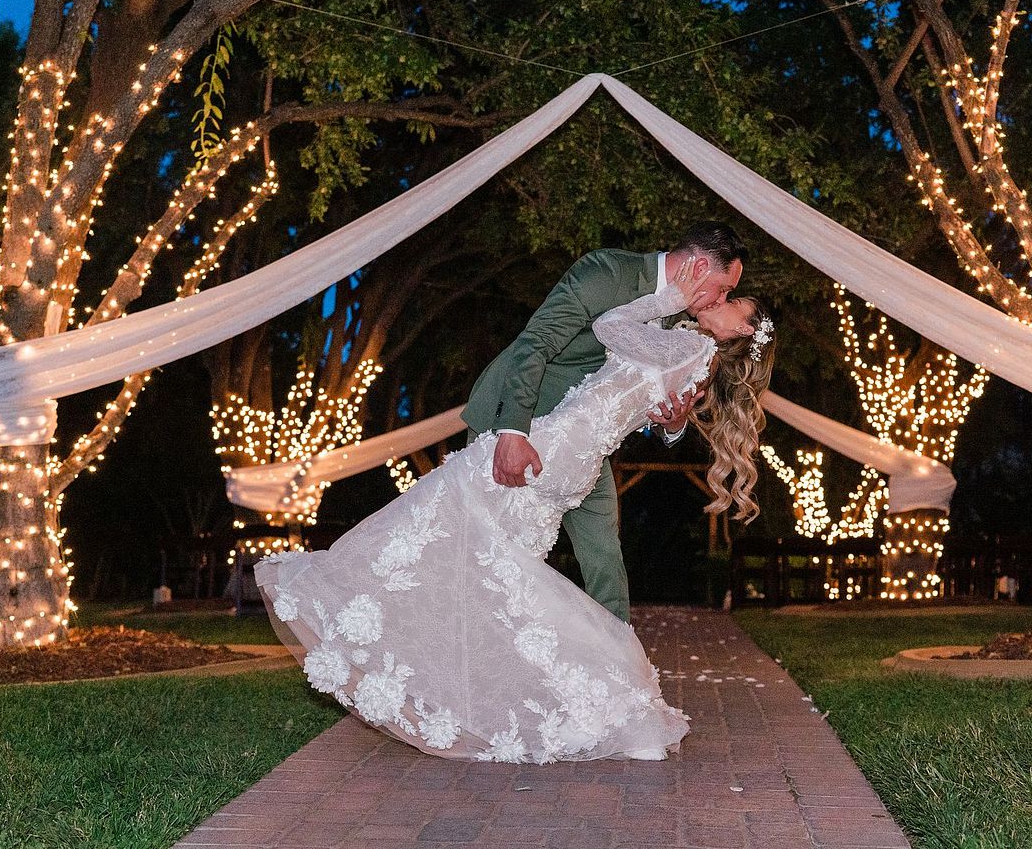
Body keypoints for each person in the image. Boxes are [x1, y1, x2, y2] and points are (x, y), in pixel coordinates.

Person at [254, 260, 776, 763]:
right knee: (497, 570)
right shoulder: (697, 361)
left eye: (735, 304)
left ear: (744, 331)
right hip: (574, 462)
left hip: (549, 446)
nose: (720, 301)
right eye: (724, 292)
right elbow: (656, 413)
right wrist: (673, 420)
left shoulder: (686, 341)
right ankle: (571, 697)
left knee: (438, 522)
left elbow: (609, 325)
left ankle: (348, 606)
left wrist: (671, 298)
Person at [460, 221, 750, 621]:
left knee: (605, 558)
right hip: (517, 418)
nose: (721, 299)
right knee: (491, 549)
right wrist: (513, 432)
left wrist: (672, 424)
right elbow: (535, 342)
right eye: (724, 288)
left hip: (583, 443)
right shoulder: (606, 271)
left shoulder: (681, 322)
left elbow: (632, 394)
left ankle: (614, 669)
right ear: (699, 268)